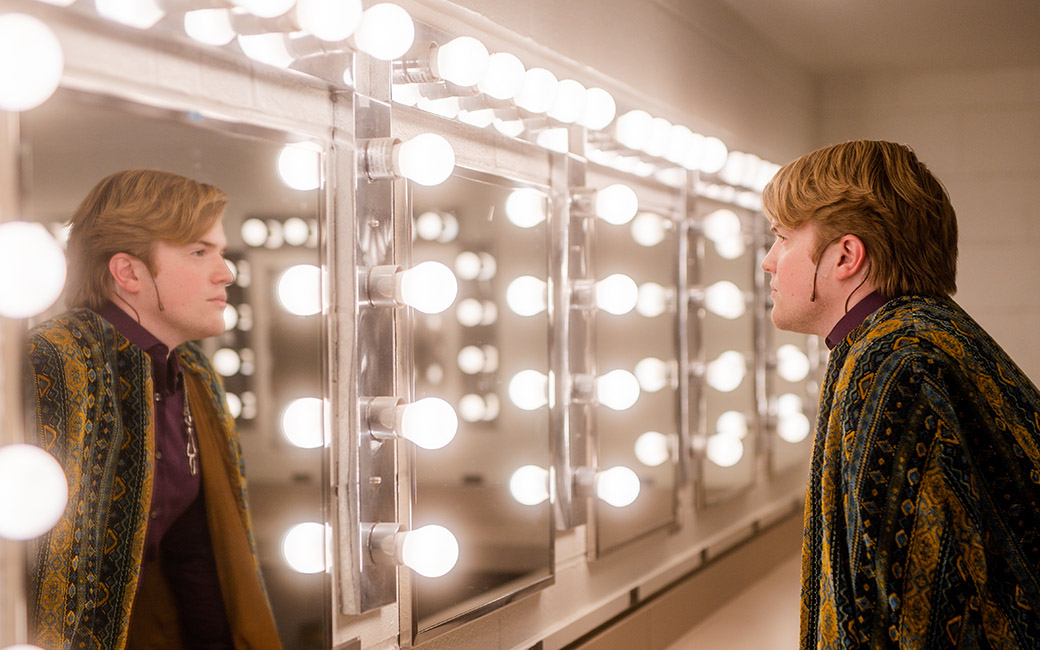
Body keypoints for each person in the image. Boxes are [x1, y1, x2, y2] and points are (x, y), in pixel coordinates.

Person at [761, 140, 1040, 649]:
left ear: (846, 255)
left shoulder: (893, 364)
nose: (768, 261)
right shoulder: (914, 335)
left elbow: (925, 606)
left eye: (781, 238)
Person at [24, 169, 283, 649]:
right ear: (127, 272)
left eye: (220, 252)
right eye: (199, 252)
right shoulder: (47, 365)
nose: (225, 272)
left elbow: (197, 555)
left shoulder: (194, 375)